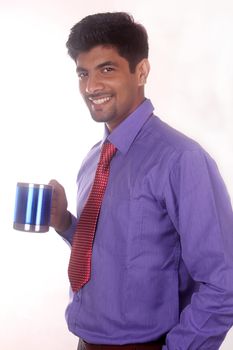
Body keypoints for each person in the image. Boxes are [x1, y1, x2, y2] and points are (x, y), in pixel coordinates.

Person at [49, 12, 233, 350]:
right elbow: (114, 256)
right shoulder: (94, 158)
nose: (91, 87)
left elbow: (224, 283)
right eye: (83, 73)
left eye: (107, 69)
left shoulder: (181, 159)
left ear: (141, 71)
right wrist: (64, 224)